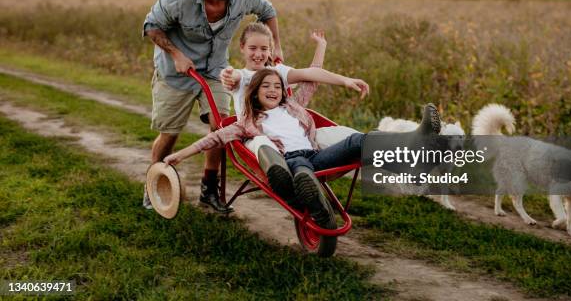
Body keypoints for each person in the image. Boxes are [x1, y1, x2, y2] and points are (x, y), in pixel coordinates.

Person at [163, 69, 441, 229]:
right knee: (302, 173)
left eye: (277, 86)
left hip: (316, 154)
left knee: (358, 141)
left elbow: (311, 79)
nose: (273, 90)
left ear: (284, 92)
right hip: (292, 162)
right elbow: (215, 138)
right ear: (255, 91)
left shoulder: (294, 107)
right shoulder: (247, 121)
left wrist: (325, 53)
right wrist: (180, 155)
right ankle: (320, 211)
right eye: (265, 86)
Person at [142, 0, 281, 213]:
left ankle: (209, 190)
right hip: (176, 73)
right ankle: (153, 184)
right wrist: (176, 54)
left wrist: (277, 44)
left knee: (220, 128)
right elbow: (151, 27)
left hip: (216, 69)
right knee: (169, 134)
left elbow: (268, 11)